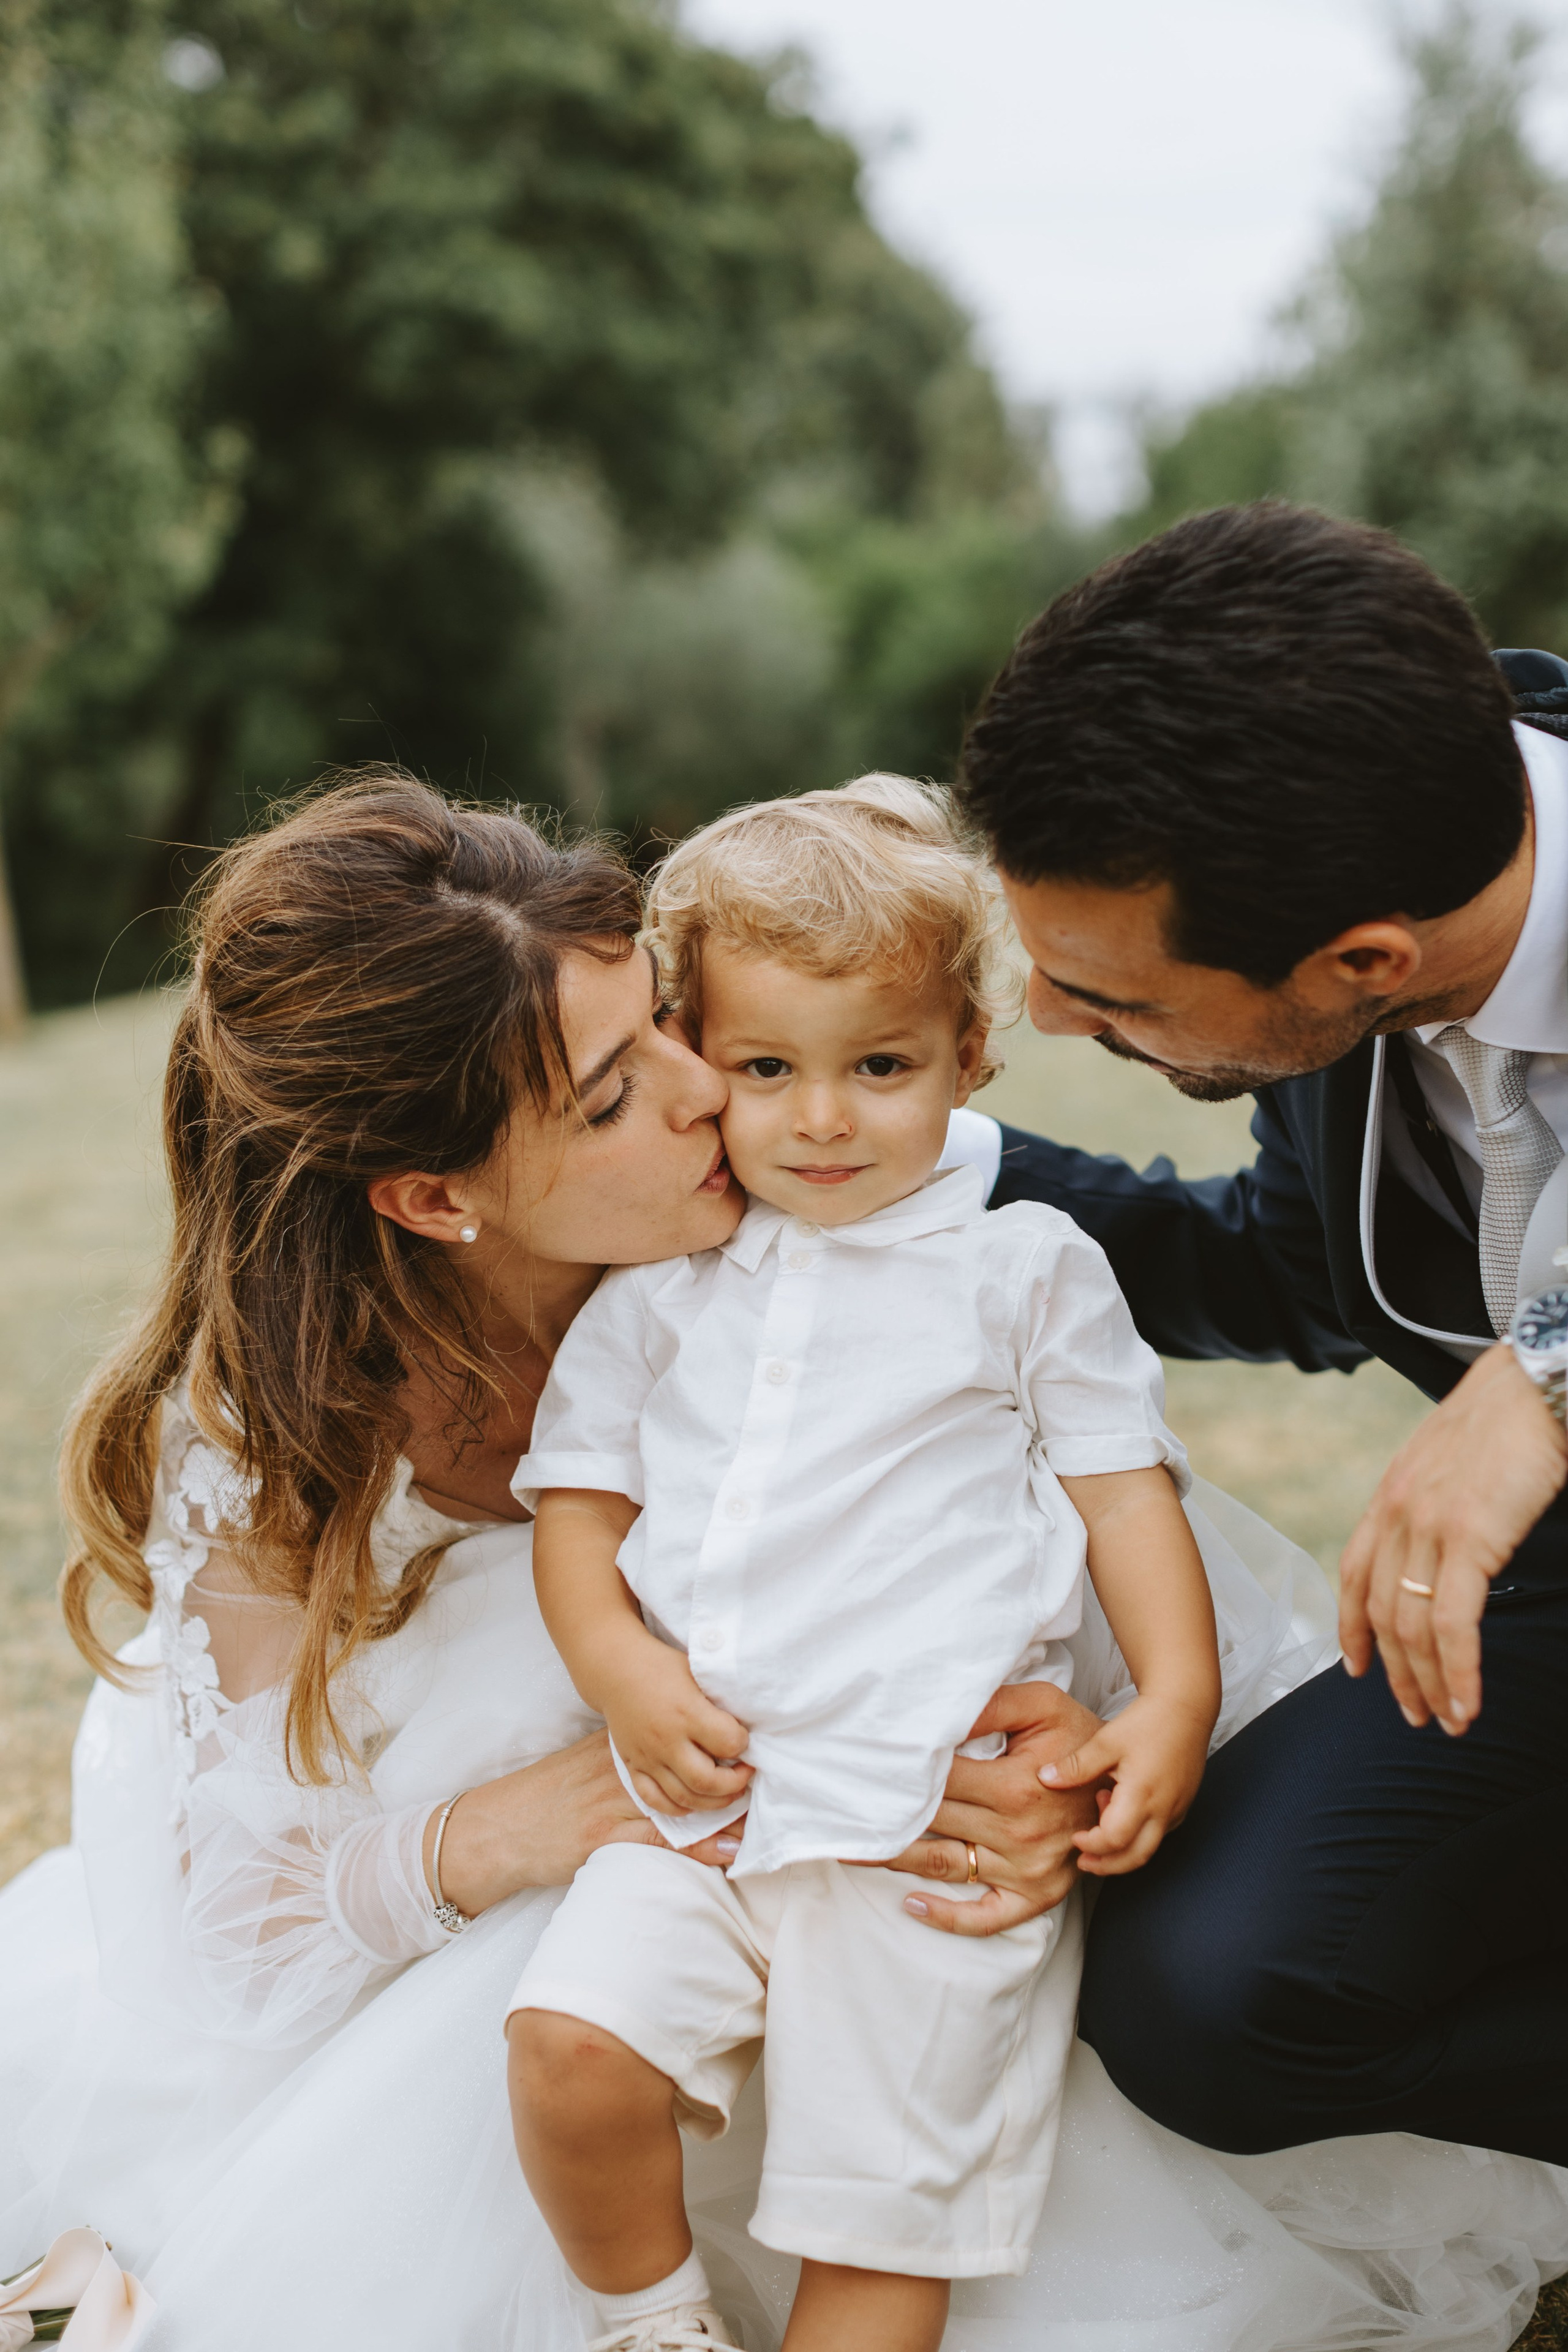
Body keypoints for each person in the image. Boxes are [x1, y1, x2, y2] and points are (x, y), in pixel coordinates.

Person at [0, 764, 1562, 2352]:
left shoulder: (819, 1222)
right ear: (437, 1196)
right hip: (614, 1912)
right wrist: (521, 1821)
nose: (703, 1099)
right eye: (611, 1095)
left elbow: (1030, 1548)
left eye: (668, 1025)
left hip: (913, 1850)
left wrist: (1060, 1784)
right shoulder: (293, 1444)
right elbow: (236, 1926)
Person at [504, 779, 1229, 2352]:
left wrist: (1169, 1698)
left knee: (878, 2211)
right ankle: (653, 2325)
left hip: (932, 1827)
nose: (821, 1119)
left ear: (970, 1055)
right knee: (570, 2048)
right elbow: (577, 1513)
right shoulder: (663, 1290)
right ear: (697, 1054)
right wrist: (623, 1675)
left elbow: (1124, 1503)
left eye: (879, 1067)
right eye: (765, 1070)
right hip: (707, 1802)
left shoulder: (1022, 1268)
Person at [956, 499, 1568, 2168]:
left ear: (1365, 958)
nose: (1058, 1022)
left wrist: (1553, 1370)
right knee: (1205, 1995)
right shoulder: (1377, 861)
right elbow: (1294, 1271)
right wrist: (923, 1159)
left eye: (1117, 998)